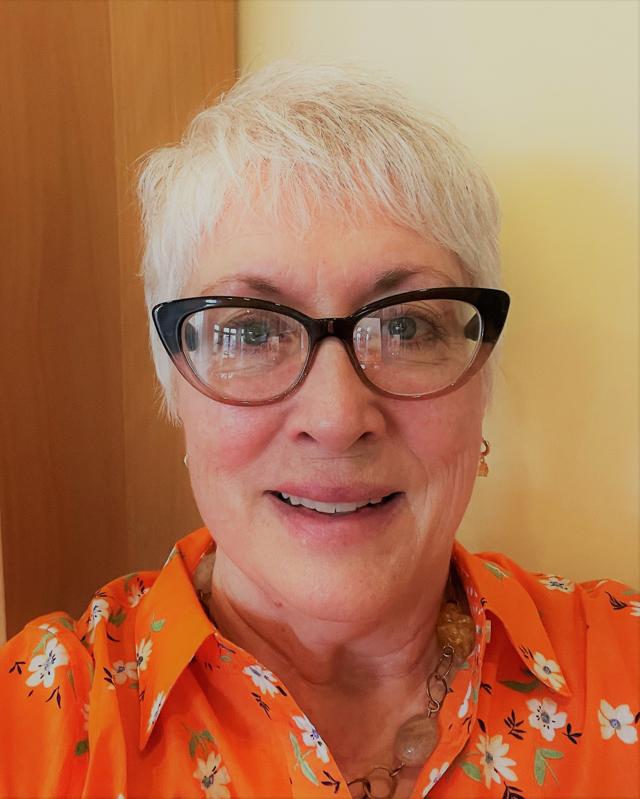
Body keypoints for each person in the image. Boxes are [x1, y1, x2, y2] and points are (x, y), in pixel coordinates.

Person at [0, 62, 637, 799]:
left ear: (481, 382)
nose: (335, 420)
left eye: (405, 325)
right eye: (250, 331)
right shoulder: (40, 728)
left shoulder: (624, 665)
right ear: (174, 386)